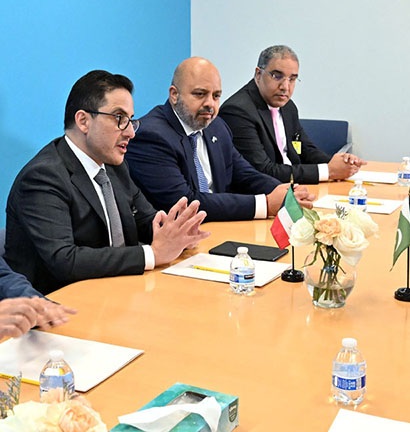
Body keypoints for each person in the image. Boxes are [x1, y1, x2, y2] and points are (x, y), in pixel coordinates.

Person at [5, 70, 209, 294]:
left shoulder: (114, 165)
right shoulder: (43, 177)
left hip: (117, 291)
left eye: (131, 120)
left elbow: (145, 220)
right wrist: (152, 254)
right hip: (57, 302)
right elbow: (65, 260)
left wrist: (176, 234)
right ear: (83, 121)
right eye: (119, 118)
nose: (130, 132)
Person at [126, 57, 315, 222]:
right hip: (180, 239)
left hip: (220, 225)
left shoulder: (216, 126)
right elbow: (185, 202)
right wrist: (265, 204)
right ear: (174, 95)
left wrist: (286, 192)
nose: (210, 104)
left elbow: (244, 174)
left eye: (216, 96)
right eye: (200, 94)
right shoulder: (151, 136)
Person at [218, 45, 366, 184]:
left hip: (291, 186)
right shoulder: (238, 111)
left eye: (292, 79)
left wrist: (339, 163)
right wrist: (328, 171)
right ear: (258, 74)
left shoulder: (288, 107)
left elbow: (305, 149)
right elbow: (262, 171)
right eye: (277, 76)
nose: (285, 87)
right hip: (263, 193)